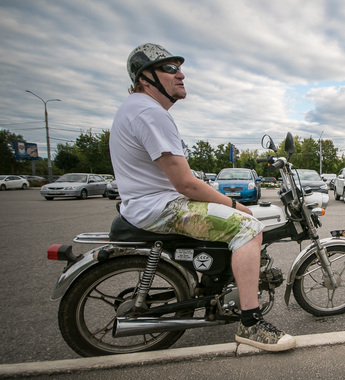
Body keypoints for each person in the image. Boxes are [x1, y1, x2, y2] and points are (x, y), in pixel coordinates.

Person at [109, 43, 295, 352]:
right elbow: (186, 184)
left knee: (227, 218)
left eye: (180, 68)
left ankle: (217, 286)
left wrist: (218, 200)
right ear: (144, 78)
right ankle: (251, 324)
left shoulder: (135, 109)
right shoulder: (149, 112)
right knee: (249, 227)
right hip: (162, 207)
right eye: (170, 69)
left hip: (148, 204)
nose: (180, 75)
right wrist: (236, 205)